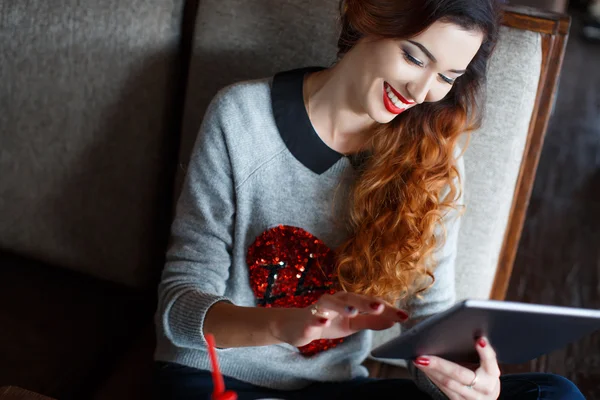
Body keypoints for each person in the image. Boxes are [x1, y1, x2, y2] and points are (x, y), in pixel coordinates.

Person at [153, 0, 586, 399]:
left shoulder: (433, 154)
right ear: (369, 17)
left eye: (446, 78)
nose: (420, 92)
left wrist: (462, 381)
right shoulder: (241, 117)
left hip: (335, 389)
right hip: (215, 379)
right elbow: (178, 309)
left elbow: (430, 318)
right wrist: (288, 324)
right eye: (415, 57)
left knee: (555, 392)